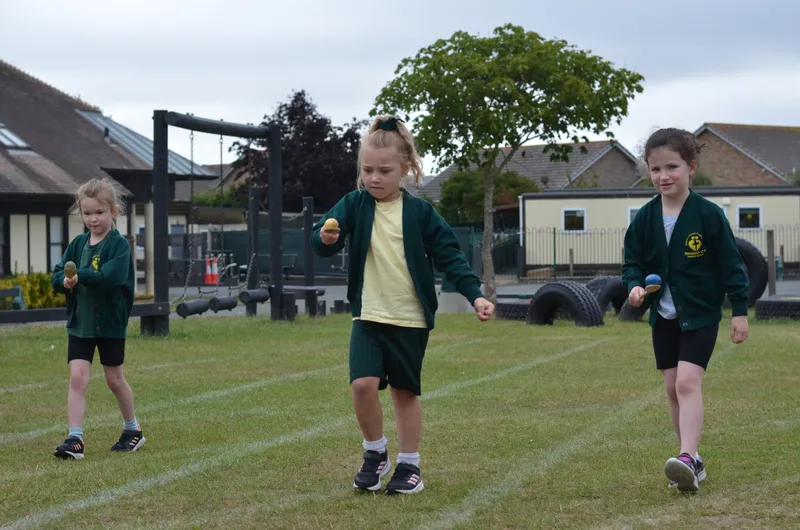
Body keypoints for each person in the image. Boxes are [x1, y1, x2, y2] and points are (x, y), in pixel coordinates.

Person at [311, 116, 495, 494]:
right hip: (368, 315)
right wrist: (326, 237)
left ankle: (410, 465)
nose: (373, 178)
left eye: (383, 170)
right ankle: (375, 453)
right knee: (362, 385)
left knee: (404, 393)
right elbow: (322, 234)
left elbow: (451, 259)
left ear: (406, 169)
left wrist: (475, 294)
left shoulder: (421, 213)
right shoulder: (354, 204)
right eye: (366, 170)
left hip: (409, 320)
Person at [622, 127, 749, 492]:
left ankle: (689, 457)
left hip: (701, 315)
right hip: (663, 317)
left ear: (691, 166)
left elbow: (731, 264)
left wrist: (739, 310)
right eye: (655, 168)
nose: (663, 176)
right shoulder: (644, 218)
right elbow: (631, 263)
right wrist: (633, 287)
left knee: (687, 382)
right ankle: (688, 460)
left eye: (672, 167)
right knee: (671, 388)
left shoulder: (708, 215)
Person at [50, 178, 144, 459]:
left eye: (99, 213)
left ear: (113, 211)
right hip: (81, 323)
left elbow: (110, 277)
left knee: (114, 380)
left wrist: (81, 276)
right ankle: (75, 439)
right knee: (77, 378)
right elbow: (57, 274)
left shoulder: (119, 246)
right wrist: (63, 282)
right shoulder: (77, 244)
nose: (93, 219)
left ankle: (132, 430)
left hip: (110, 323)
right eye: (87, 213)